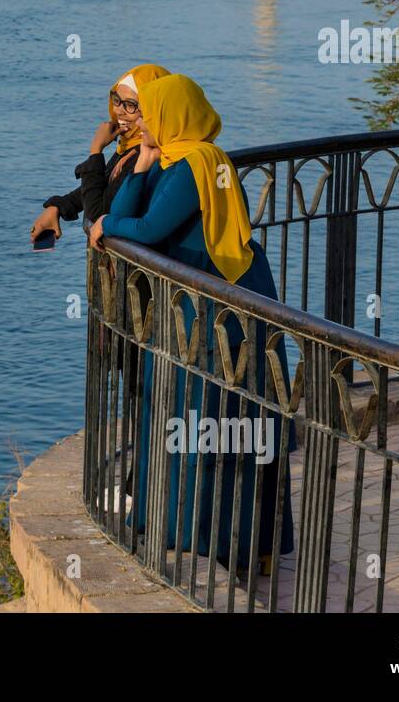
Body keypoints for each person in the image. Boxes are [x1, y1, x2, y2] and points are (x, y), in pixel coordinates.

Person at [89, 73, 295, 574]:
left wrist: (105, 227)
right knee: (226, 419)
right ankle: (237, 540)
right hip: (221, 299)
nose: (137, 118)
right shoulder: (188, 157)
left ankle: (216, 541)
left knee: (212, 416)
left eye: (148, 110)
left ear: (170, 114)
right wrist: (139, 165)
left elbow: (145, 230)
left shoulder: (190, 167)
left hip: (216, 311)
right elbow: (129, 211)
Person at [31, 64, 170, 245]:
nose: (119, 110)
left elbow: (97, 215)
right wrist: (58, 206)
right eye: (117, 100)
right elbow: (105, 185)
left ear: (152, 109)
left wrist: (96, 150)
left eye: (131, 105)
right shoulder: (130, 147)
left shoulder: (147, 153)